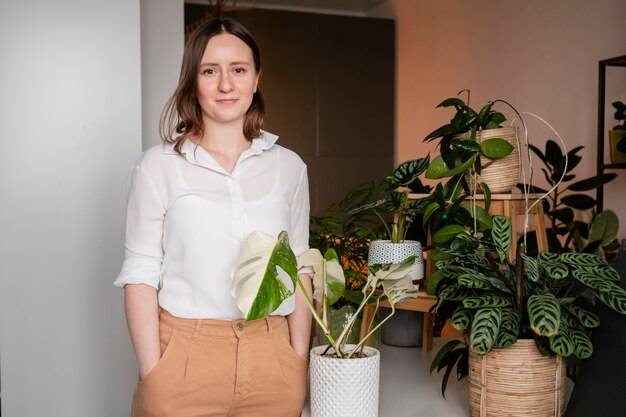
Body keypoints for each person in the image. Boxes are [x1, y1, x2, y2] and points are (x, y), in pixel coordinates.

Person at [114, 17, 312, 417]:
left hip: (272, 356)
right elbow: (139, 272)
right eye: (210, 71)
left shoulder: (289, 167)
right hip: (184, 356)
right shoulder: (157, 166)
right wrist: (153, 371)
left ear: (255, 79)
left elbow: (301, 261)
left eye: (238, 70)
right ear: (193, 81)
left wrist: (297, 356)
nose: (226, 84)